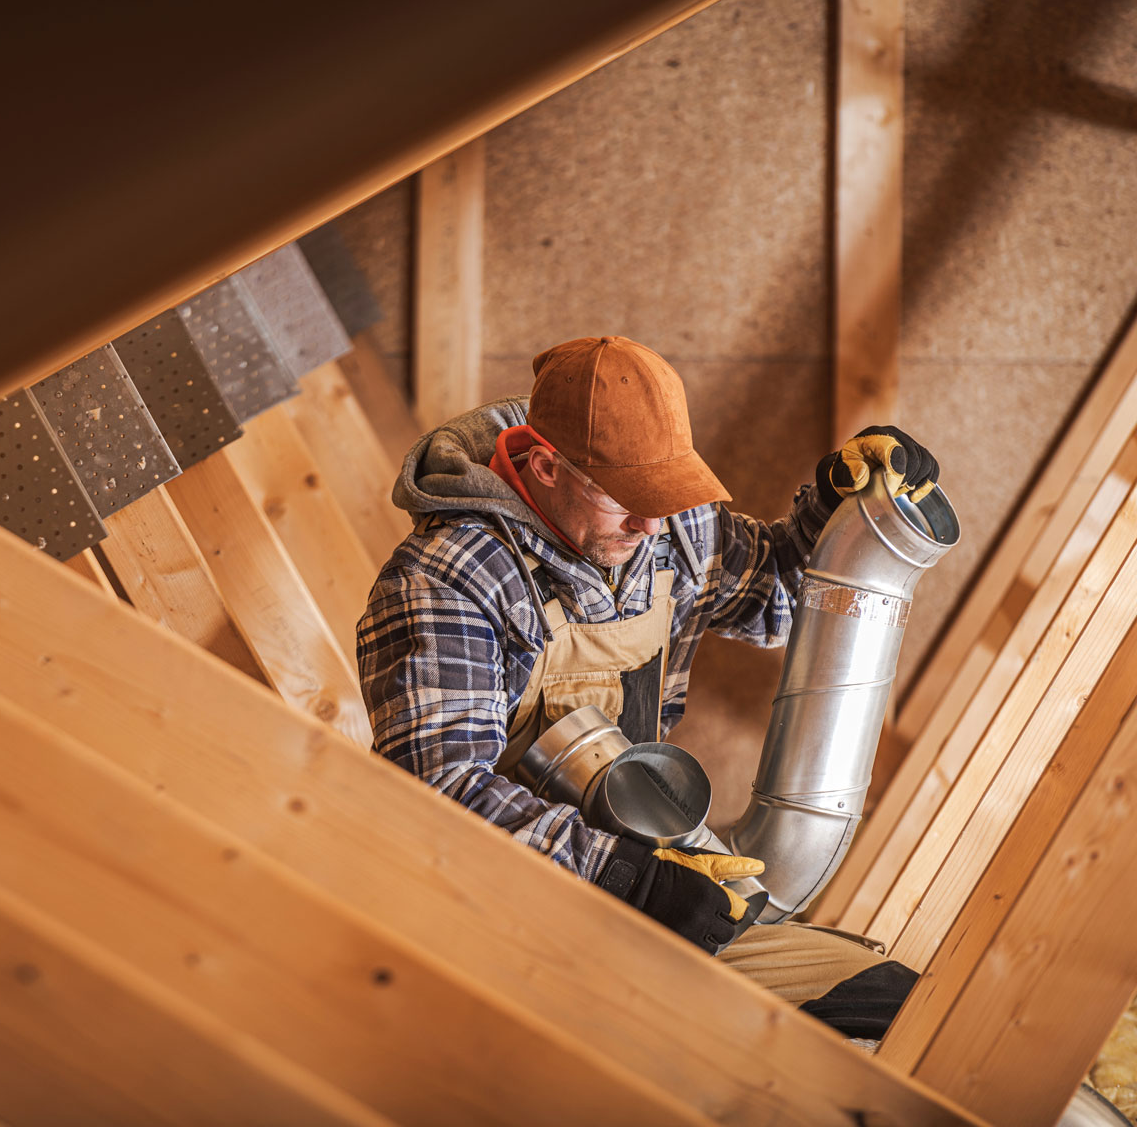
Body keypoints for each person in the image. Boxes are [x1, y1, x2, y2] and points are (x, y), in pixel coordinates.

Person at [357, 335, 937, 1039]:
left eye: (664, 495)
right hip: (504, 925)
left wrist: (834, 513)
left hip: (648, 878)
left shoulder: (668, 526)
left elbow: (773, 600)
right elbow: (439, 794)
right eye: (627, 500)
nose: (651, 523)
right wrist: (625, 879)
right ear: (543, 466)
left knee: (899, 1011)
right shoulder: (449, 578)